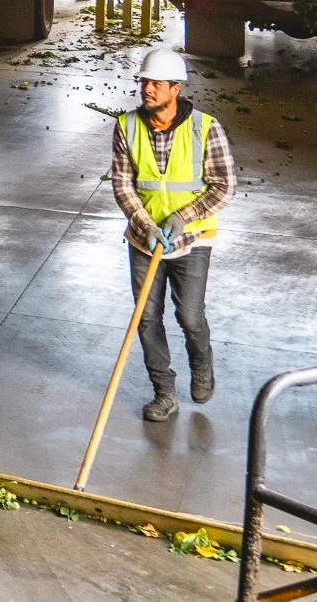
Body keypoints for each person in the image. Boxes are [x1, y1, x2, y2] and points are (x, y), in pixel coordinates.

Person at [111, 45, 236, 421]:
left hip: (192, 240)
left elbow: (224, 186)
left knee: (190, 316)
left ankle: (202, 365)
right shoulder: (126, 127)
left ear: (175, 89)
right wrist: (145, 224)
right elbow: (122, 184)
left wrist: (183, 217)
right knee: (147, 319)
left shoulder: (206, 128)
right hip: (144, 240)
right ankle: (164, 392)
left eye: (155, 83)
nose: (147, 89)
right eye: (144, 82)